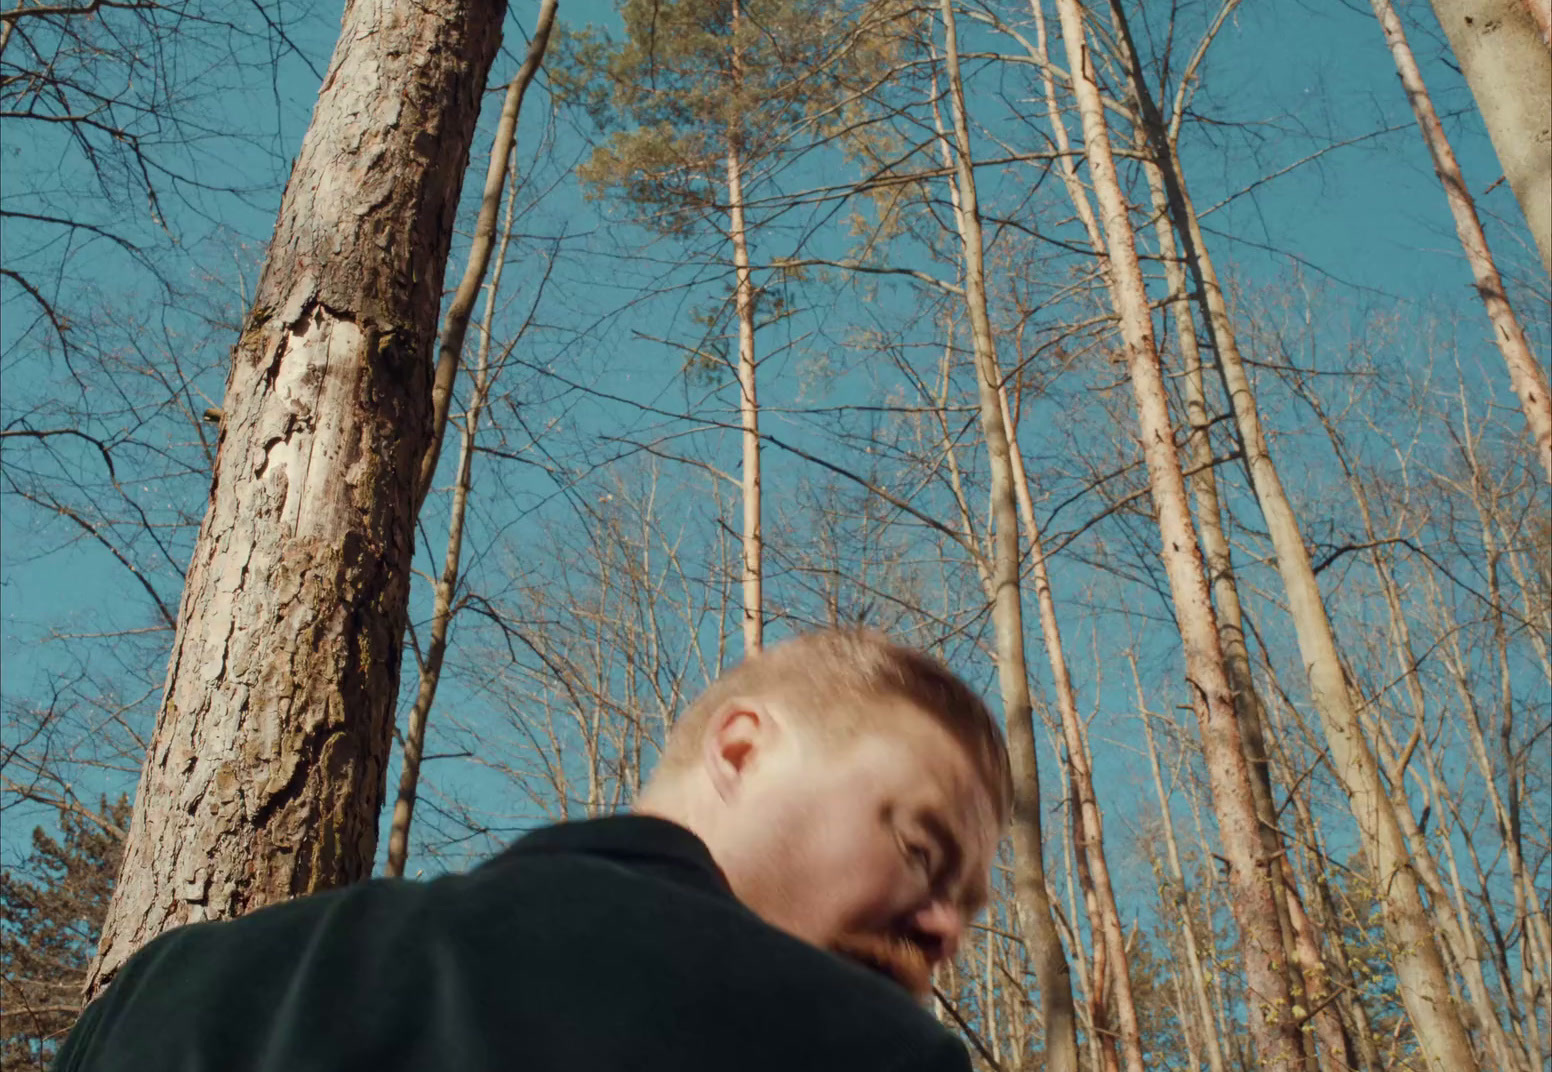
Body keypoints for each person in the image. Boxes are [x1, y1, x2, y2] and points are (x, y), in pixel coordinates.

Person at [54, 628, 1011, 1072]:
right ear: (742, 750)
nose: (944, 933)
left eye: (967, 911)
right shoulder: (868, 1053)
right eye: (924, 853)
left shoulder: (173, 987)